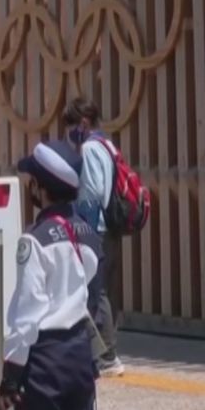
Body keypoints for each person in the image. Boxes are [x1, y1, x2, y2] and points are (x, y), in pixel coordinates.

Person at [0, 140, 101, 410]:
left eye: (33, 180)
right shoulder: (89, 234)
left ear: (41, 188)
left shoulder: (34, 240)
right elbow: (93, 296)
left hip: (44, 361)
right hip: (80, 354)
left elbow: (27, 315)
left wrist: (10, 378)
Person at [62, 96, 125, 377]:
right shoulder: (107, 145)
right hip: (111, 226)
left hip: (95, 227)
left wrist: (80, 225)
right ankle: (106, 350)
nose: (68, 131)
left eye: (71, 125)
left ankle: (107, 356)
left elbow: (93, 191)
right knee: (106, 291)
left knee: (96, 292)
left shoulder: (88, 149)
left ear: (84, 123)